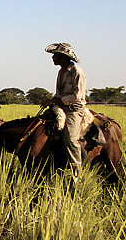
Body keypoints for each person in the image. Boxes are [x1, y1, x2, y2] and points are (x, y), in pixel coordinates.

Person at [41, 42, 87, 180]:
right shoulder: (61, 72)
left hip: (74, 108)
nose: (52, 58)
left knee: (70, 137)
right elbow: (58, 93)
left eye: (55, 56)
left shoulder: (77, 72)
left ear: (63, 57)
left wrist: (56, 101)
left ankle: (76, 173)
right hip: (61, 105)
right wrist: (51, 100)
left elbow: (76, 96)